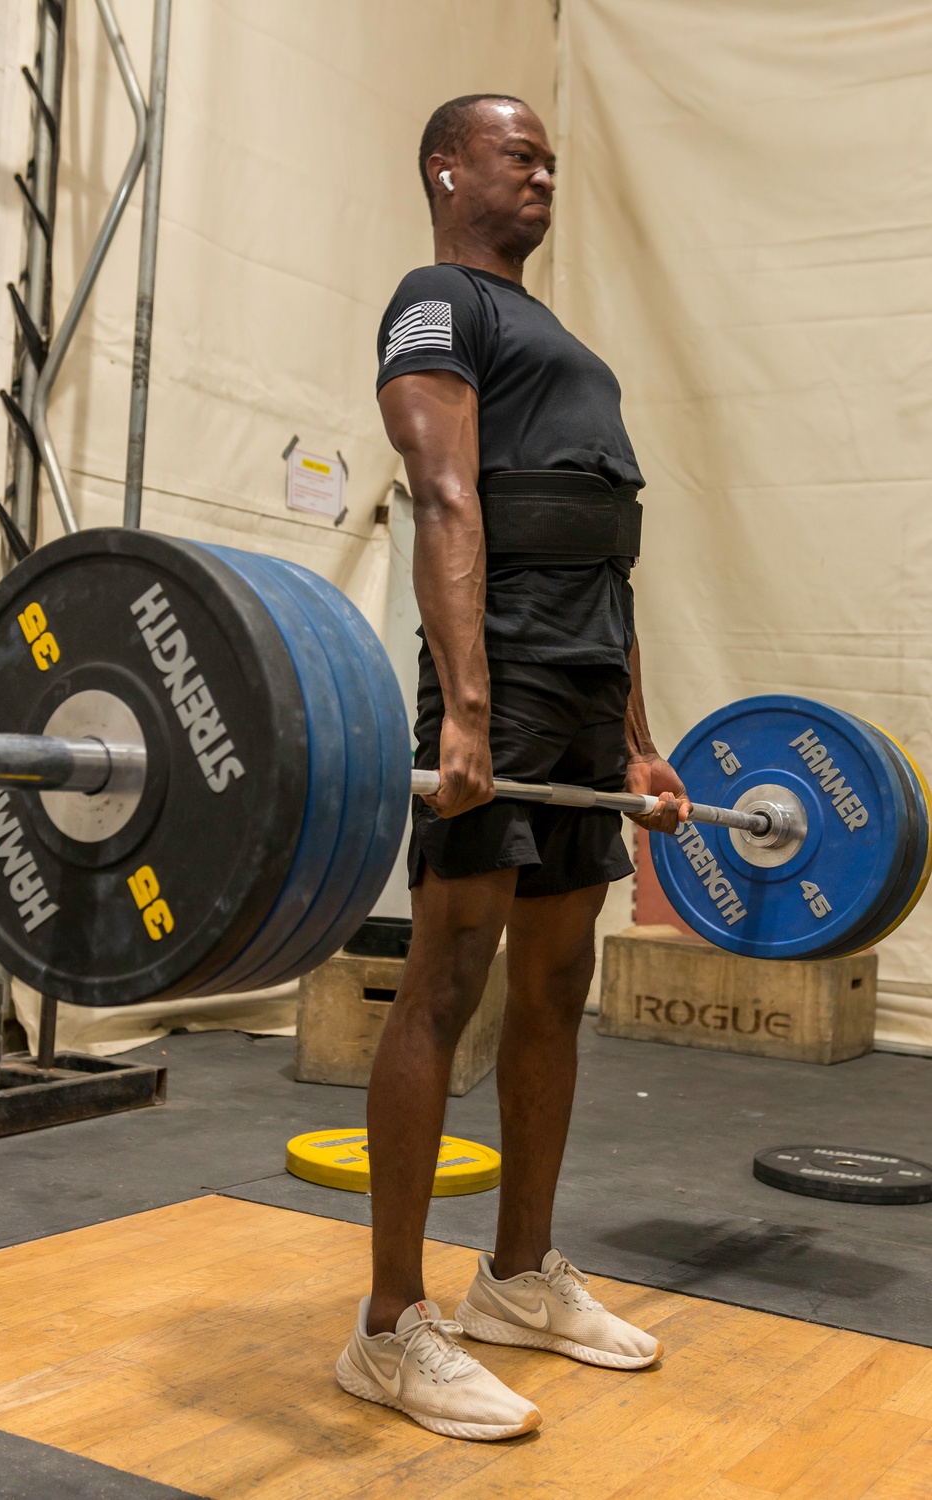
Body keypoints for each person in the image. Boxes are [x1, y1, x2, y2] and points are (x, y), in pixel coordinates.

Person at [336, 94, 691, 1442]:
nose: (544, 169)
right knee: (448, 980)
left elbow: (609, 559)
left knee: (560, 978)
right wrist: (466, 711)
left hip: (587, 684)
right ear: (446, 167)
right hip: (510, 676)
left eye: (551, 155)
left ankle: (521, 1279)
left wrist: (642, 740)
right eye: (516, 152)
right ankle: (387, 1327)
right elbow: (445, 495)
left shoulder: (570, 345)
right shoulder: (439, 299)